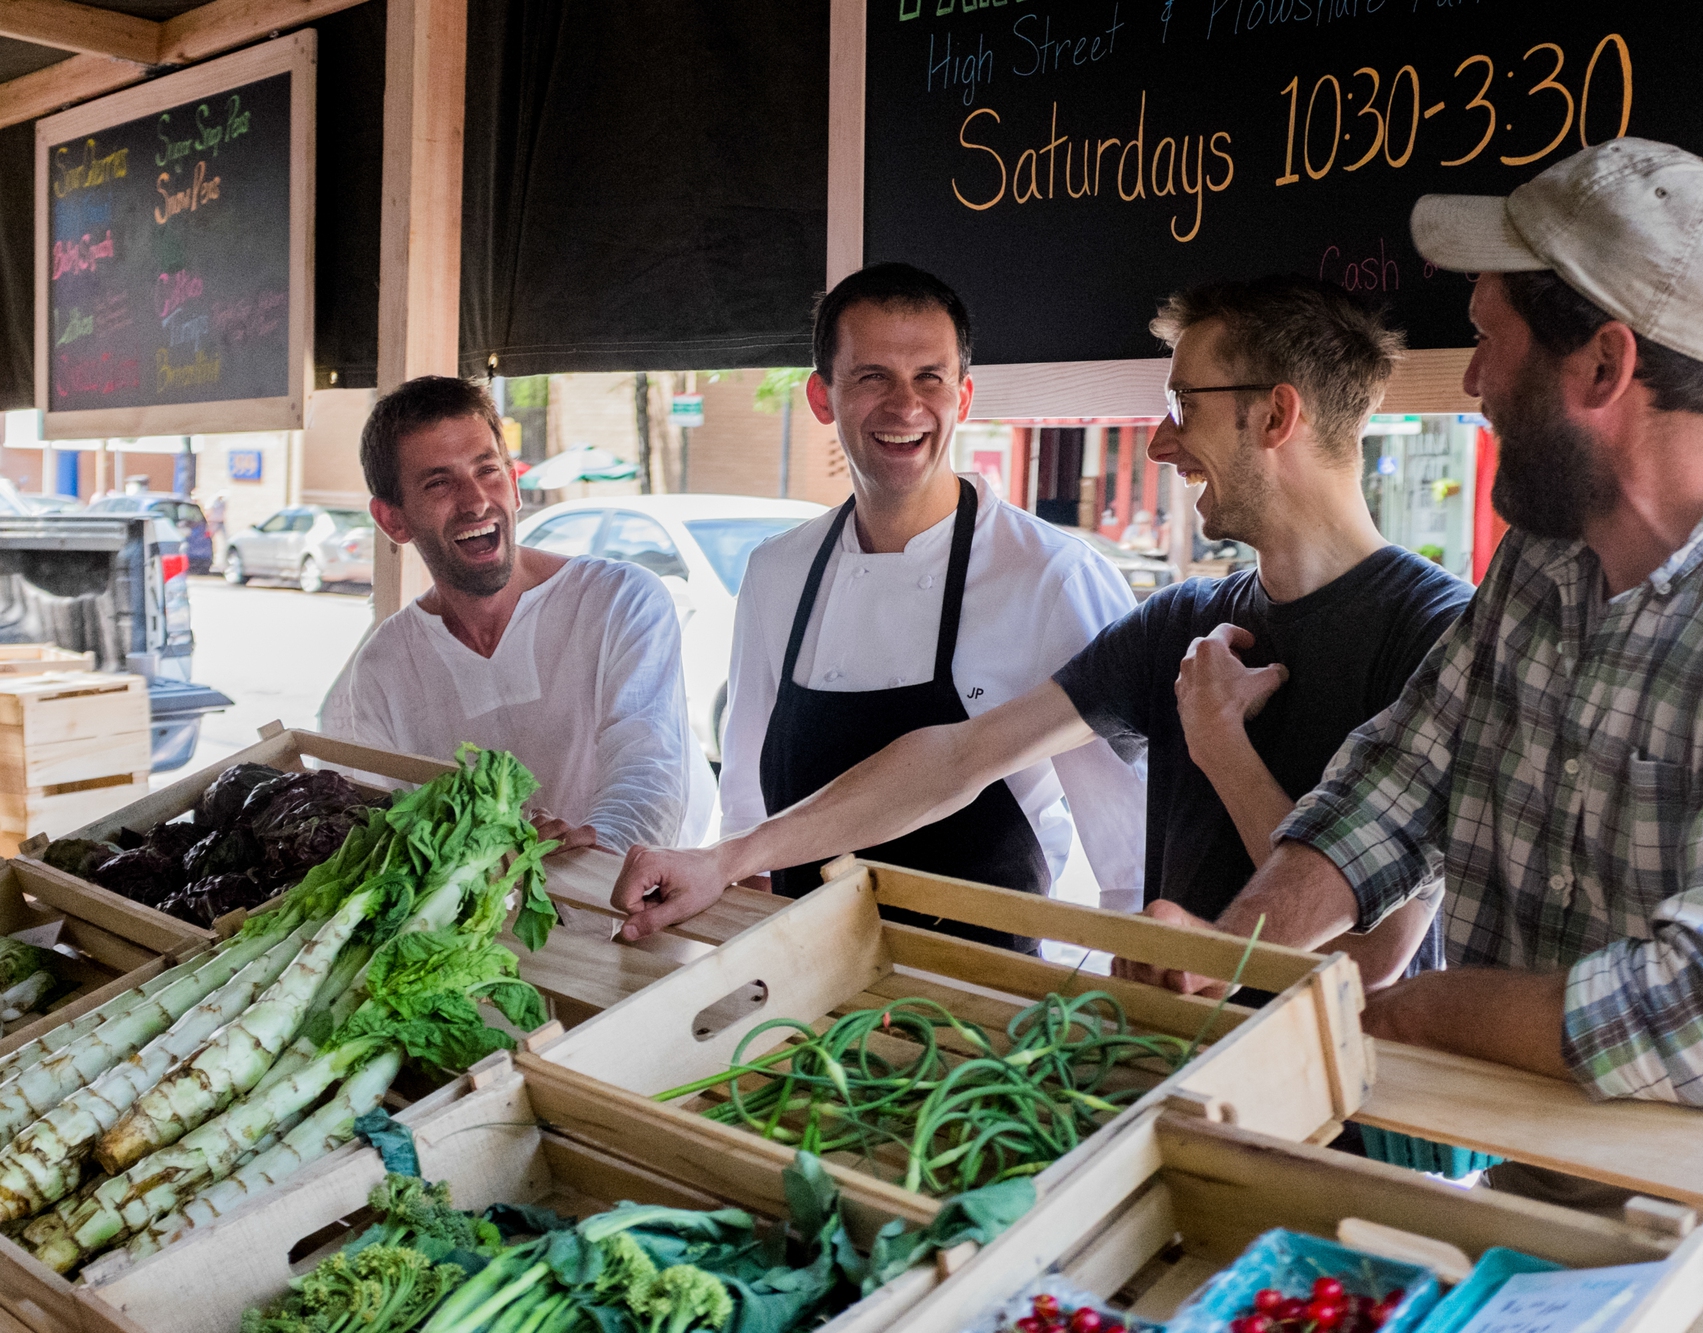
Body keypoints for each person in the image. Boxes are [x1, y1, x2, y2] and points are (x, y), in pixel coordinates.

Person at [1174, 142, 1703, 1328]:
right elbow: (1400, 778)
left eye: (1488, 336)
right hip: (1546, 1208)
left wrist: (1398, 1007)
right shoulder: (1542, 562)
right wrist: (1234, 957)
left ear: (1602, 363)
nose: (1470, 378)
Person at [613, 275, 1469, 983]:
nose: (1162, 443)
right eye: (871, 376)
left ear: (1276, 417)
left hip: (1345, 1114)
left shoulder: (1436, 633)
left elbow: (1376, 953)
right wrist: (728, 857)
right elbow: (956, 757)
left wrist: (1222, 747)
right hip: (1181, 1072)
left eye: (1185, 404)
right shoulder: (1183, 620)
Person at [666, 262, 1146, 950]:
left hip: (985, 995)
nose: (905, 406)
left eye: (930, 377)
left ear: (965, 395)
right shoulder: (777, 573)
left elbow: (1131, 851)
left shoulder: (1051, 578)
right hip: (809, 982)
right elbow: (745, 807)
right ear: (822, 397)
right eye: (872, 377)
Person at [320, 374, 714, 854]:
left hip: (635, 911)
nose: (476, 501)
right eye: (439, 483)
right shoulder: (384, 667)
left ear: (513, 484)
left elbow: (650, 770)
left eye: (487, 471)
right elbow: (380, 824)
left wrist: (599, 845)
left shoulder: (620, 601)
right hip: (482, 926)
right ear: (392, 520)